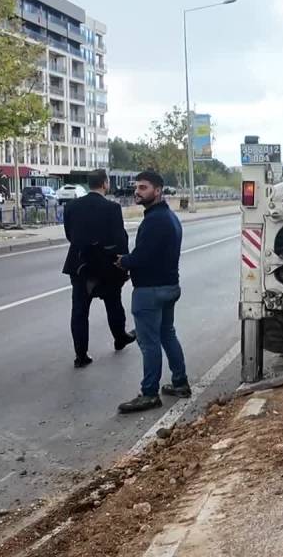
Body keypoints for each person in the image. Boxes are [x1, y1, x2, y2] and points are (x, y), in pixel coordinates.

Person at [115, 170, 186, 414]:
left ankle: (149, 394)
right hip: (169, 286)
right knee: (167, 335)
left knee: (149, 343)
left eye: (143, 187)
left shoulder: (155, 220)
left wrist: (124, 261)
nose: (137, 191)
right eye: (137, 187)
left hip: (150, 290)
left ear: (158, 190)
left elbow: (143, 257)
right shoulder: (169, 216)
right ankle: (180, 382)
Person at [62, 169, 135, 368]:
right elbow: (120, 239)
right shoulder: (112, 208)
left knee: (79, 310)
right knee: (113, 303)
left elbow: (69, 235)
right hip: (106, 264)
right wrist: (124, 264)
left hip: (79, 265)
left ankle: (81, 355)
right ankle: (120, 338)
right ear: (105, 183)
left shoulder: (71, 206)